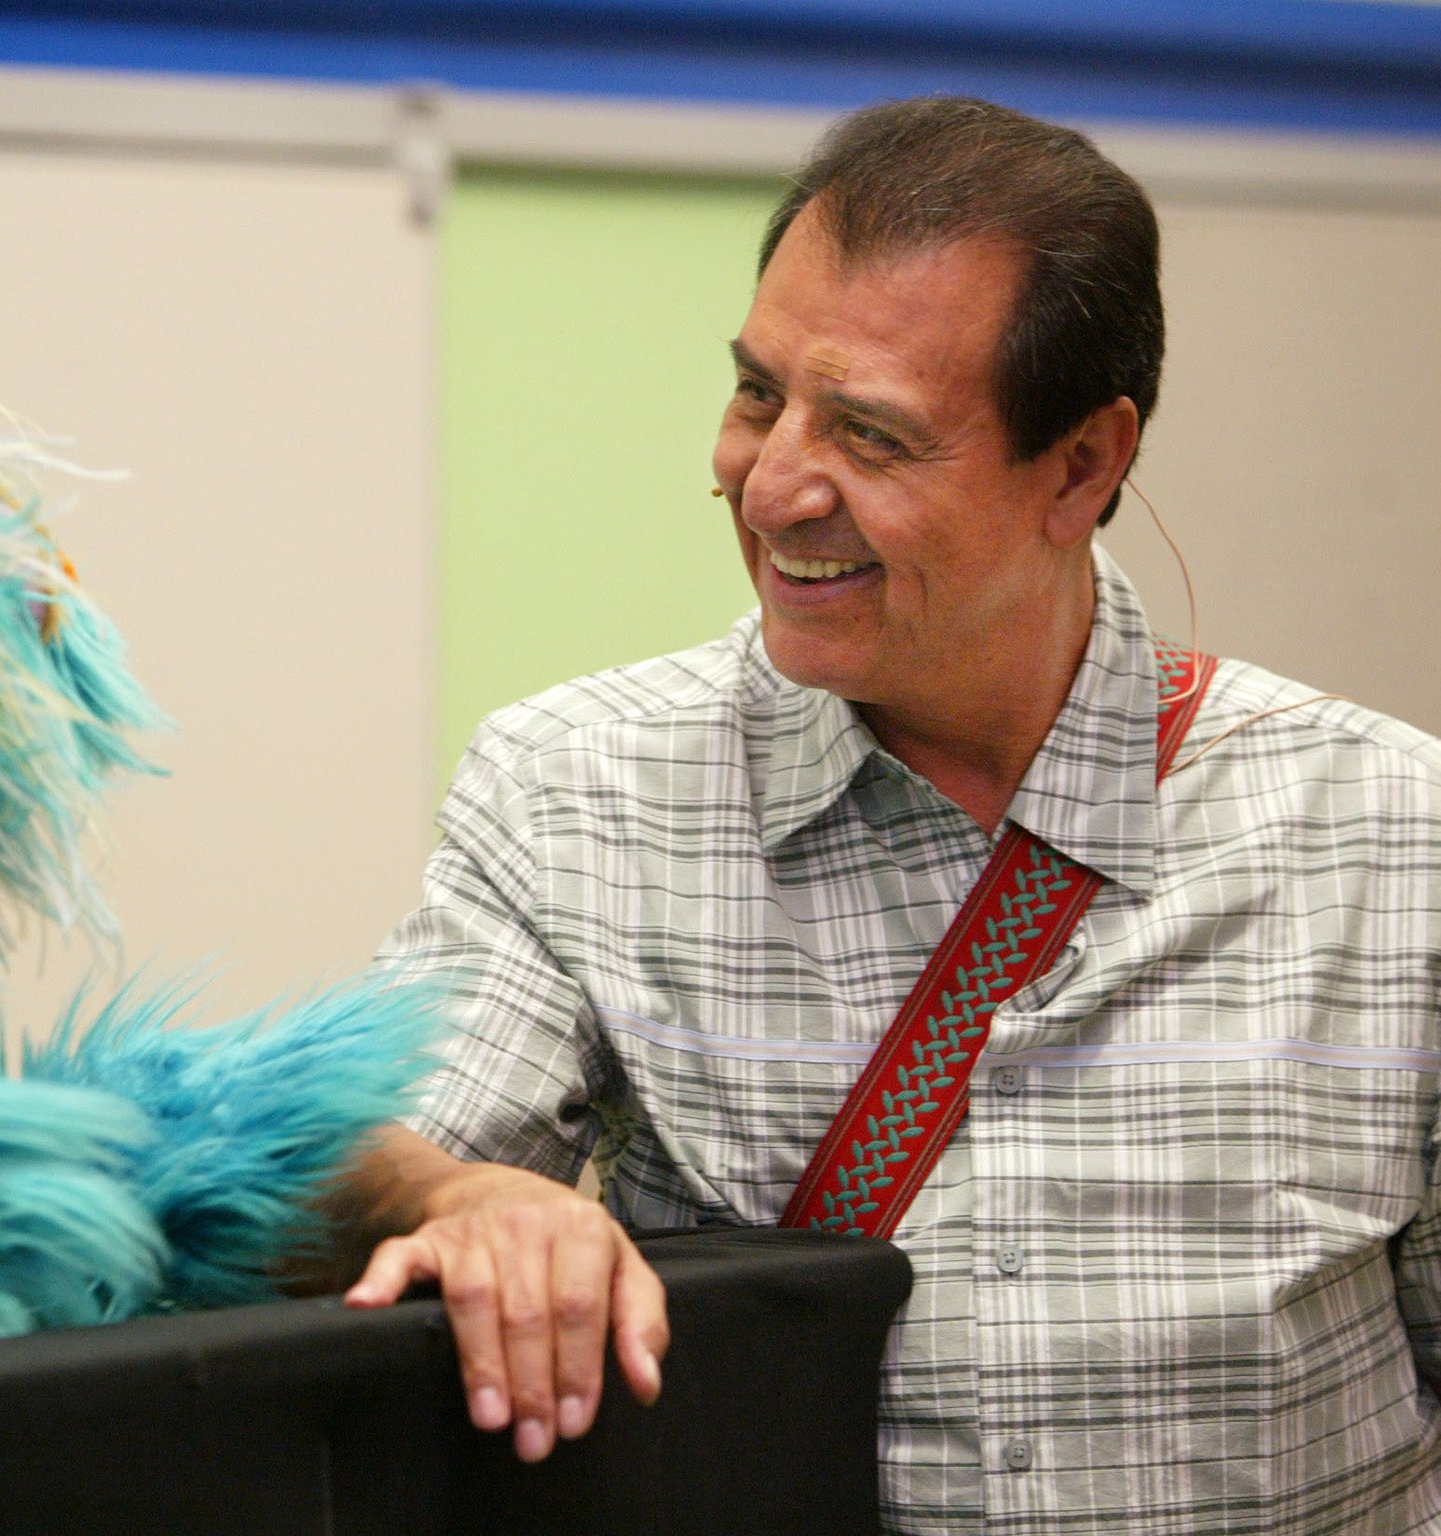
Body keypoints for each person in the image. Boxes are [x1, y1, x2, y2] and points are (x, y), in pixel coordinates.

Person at [331, 96, 1441, 1532]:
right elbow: (342, 1167)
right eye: (756, 395)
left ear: (1084, 465)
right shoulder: (579, 797)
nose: (773, 483)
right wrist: (463, 1204)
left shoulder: (1392, 840)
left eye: (871, 434)